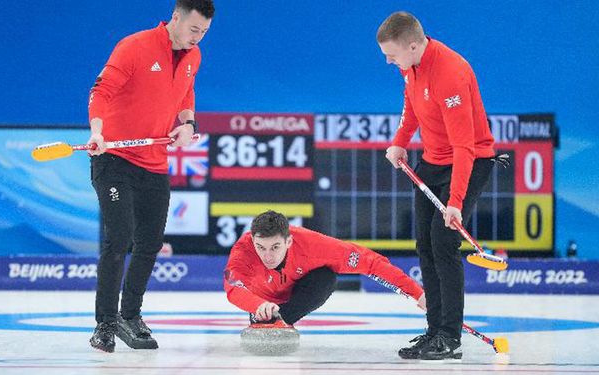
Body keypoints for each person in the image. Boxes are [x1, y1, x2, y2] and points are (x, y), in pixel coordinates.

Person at [86, 0, 215, 353]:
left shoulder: (193, 56)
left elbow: (185, 94)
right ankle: (105, 324)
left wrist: (187, 124)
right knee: (120, 238)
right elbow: (101, 92)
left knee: (149, 243)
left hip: (155, 163)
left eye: (204, 33)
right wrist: (97, 132)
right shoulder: (134, 46)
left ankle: (130, 316)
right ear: (175, 18)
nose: (197, 38)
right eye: (193, 30)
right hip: (114, 157)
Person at [377, 11, 497, 360]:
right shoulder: (410, 65)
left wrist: (456, 200)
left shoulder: (451, 74)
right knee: (424, 243)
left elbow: (465, 146)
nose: (388, 61)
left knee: (444, 243)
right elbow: (411, 105)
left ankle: (450, 337)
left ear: (413, 45)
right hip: (432, 160)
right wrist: (401, 140)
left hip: (469, 162)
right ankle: (434, 331)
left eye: (392, 54)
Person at [224, 210, 426, 336]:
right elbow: (233, 288)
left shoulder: (313, 246)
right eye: (261, 247)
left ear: (289, 241)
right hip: (262, 300)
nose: (267, 256)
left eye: (275, 247)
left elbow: (372, 263)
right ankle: (267, 317)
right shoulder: (243, 250)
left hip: (295, 295)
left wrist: (419, 294)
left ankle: (282, 319)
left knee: (326, 277)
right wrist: (258, 305)